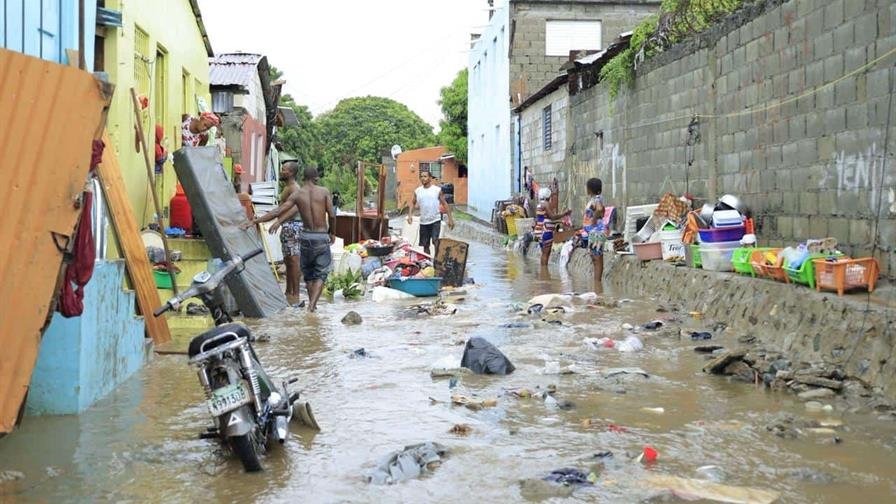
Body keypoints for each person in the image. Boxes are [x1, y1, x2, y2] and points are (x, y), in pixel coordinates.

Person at [241, 166, 334, 312]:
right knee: (321, 273)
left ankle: (311, 306)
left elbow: (278, 211)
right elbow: (332, 215)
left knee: (308, 273)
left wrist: (254, 221)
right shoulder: (324, 192)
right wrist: (332, 233)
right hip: (321, 236)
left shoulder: (297, 194)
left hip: (306, 236)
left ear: (303, 177)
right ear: (316, 178)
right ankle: (311, 306)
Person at [407, 170, 454, 255]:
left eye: (425, 176)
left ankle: (437, 260)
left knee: (435, 241)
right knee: (425, 245)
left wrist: (450, 219)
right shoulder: (417, 191)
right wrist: (410, 215)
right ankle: (427, 261)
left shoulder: (437, 190)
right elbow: (413, 203)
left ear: (430, 178)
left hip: (435, 220)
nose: (423, 178)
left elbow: (444, 204)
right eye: (421, 176)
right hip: (423, 221)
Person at [581, 177, 608, 288]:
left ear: (590, 189)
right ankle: (597, 285)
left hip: (597, 232)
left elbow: (600, 209)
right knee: (595, 258)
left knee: (597, 259)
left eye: (587, 187)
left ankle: (597, 285)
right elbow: (602, 210)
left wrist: (594, 219)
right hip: (594, 232)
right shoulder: (596, 199)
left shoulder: (596, 199)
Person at [534, 187, 570, 267]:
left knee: (544, 253)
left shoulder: (539, 205)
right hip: (545, 231)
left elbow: (543, 218)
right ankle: (544, 271)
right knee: (546, 253)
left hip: (539, 230)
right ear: (548, 196)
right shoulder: (546, 204)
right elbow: (552, 217)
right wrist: (564, 214)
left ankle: (543, 271)